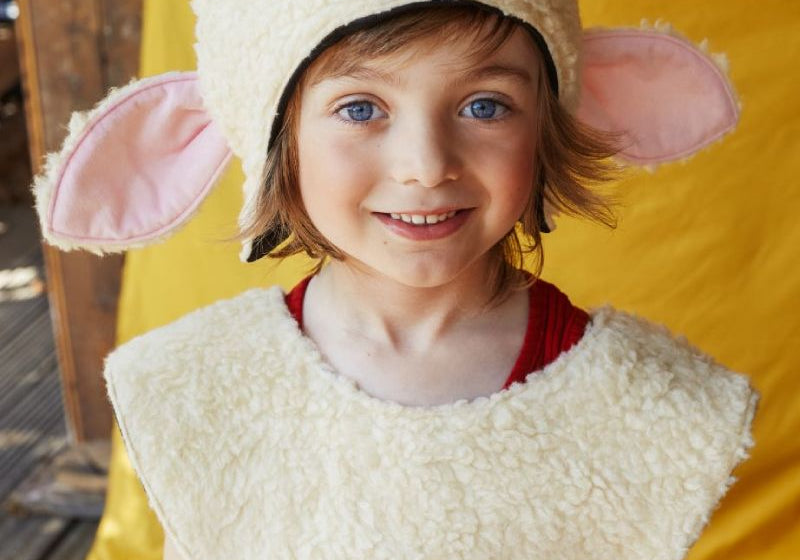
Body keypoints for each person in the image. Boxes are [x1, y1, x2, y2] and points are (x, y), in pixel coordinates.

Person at [33, 1, 757, 558]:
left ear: (548, 124)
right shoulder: (199, 388)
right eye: (360, 108)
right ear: (276, 137)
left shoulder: (651, 409)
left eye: (484, 105)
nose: (426, 164)